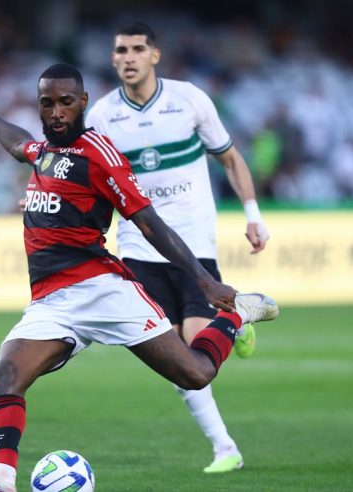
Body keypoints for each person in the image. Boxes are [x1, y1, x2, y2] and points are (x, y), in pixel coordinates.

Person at [0, 63, 278, 492]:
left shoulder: (99, 154)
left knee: (195, 373)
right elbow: (19, 144)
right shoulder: (46, 151)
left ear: (82, 104)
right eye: (47, 103)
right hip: (51, 302)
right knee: (4, 377)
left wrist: (205, 281)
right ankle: (0, 477)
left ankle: (237, 315)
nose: (56, 111)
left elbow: (150, 223)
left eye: (65, 103)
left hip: (102, 290)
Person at [84, 22, 271, 473]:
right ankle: (225, 447)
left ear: (155, 55)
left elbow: (229, 157)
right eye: (120, 50)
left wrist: (253, 214)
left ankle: (234, 319)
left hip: (193, 247)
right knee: (178, 360)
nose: (127, 57)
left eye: (136, 49)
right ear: (113, 59)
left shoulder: (189, 99)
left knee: (192, 345)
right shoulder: (103, 115)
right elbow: (84, 177)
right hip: (137, 248)